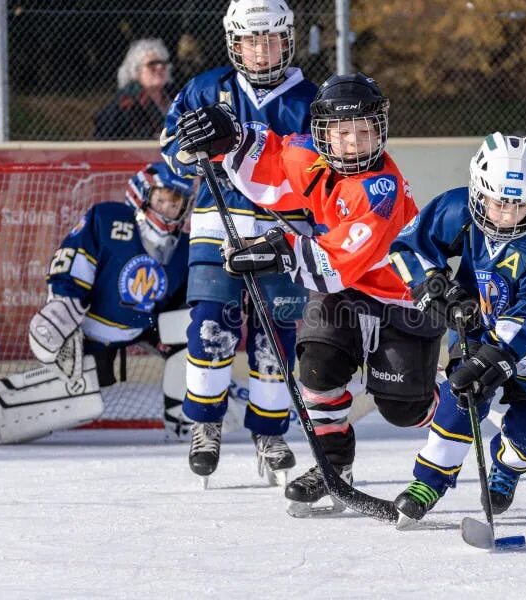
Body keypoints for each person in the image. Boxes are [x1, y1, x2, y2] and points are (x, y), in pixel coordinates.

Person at [174, 72, 446, 516]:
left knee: (403, 410)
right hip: (341, 292)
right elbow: (273, 155)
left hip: (400, 298)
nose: (353, 143)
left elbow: (339, 263)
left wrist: (275, 251)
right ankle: (333, 468)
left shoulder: (381, 189)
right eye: (342, 133)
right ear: (323, 134)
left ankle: (453, 404)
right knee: (317, 367)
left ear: (381, 131)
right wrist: (229, 135)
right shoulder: (310, 155)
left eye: (365, 131)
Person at [161, 0, 319, 485]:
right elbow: (170, 150)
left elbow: (316, 168)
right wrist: (188, 148)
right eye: (252, 40)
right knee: (213, 325)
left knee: (277, 335)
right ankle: (204, 426)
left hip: (280, 228)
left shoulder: (311, 98)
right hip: (216, 221)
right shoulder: (206, 89)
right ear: (236, 43)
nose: (262, 49)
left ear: (287, 41)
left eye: (271, 38)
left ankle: (269, 434)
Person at [387, 133, 526, 524]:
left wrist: (497, 357)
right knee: (461, 398)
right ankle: (429, 481)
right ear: (479, 191)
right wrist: (431, 285)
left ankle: (506, 468)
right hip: (472, 325)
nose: (506, 214)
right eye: (497, 201)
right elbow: (408, 246)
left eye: (518, 205)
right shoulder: (458, 208)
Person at [27, 162, 196, 440]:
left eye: (175, 202)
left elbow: (180, 301)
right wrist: (64, 303)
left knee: (196, 331)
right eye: (161, 198)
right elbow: (75, 259)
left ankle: (186, 421)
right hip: (86, 328)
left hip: (142, 329)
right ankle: (51, 377)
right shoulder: (108, 219)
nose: (167, 207)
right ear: (142, 194)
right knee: (54, 328)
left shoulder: (185, 248)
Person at [95, 39, 176, 139]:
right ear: (136, 71)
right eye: (152, 64)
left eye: (163, 63)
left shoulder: (175, 98)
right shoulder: (126, 103)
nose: (159, 67)